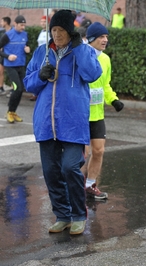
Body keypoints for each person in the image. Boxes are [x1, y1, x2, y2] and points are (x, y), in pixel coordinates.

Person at [23, 10, 102, 235]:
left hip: (72, 122)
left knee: (70, 167)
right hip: (46, 123)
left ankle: (78, 214)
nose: (57, 35)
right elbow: (28, 84)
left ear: (70, 31)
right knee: (51, 171)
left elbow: (92, 74)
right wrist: (40, 75)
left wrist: (78, 48)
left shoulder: (84, 51)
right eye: (53, 30)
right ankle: (62, 215)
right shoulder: (41, 53)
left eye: (61, 30)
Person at [82, 22, 124, 200]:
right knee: (81, 155)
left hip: (97, 114)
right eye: (101, 37)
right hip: (80, 114)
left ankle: (90, 185)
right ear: (91, 39)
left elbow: (105, 84)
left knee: (98, 151)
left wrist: (113, 100)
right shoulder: (81, 56)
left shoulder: (105, 59)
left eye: (106, 36)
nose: (105, 40)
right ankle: (74, 187)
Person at [0, 15, 30, 123]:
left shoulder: (25, 35)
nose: (23, 27)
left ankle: (13, 112)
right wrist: (8, 56)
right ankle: (9, 112)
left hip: (21, 65)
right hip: (10, 66)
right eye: (21, 25)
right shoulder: (7, 35)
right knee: (17, 88)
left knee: (21, 89)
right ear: (15, 24)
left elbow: (27, 46)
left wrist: (28, 49)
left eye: (24, 25)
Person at [0, 17, 11, 96]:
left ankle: (12, 89)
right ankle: (1, 88)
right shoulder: (2, 32)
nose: (1, 23)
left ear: (6, 22)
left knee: (11, 73)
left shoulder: (13, 32)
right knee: (1, 71)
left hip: (10, 55)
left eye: (2, 21)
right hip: (3, 54)